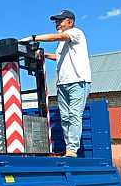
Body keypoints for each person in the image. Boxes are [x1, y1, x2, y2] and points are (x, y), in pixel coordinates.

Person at [28, 9, 92, 157]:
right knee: (65, 117)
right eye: (56, 21)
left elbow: (56, 37)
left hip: (78, 82)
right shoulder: (62, 44)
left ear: (70, 22)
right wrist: (43, 55)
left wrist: (34, 38)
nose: (57, 23)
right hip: (62, 84)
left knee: (74, 115)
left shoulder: (76, 32)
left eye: (60, 21)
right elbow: (58, 57)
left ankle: (72, 149)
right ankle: (69, 147)